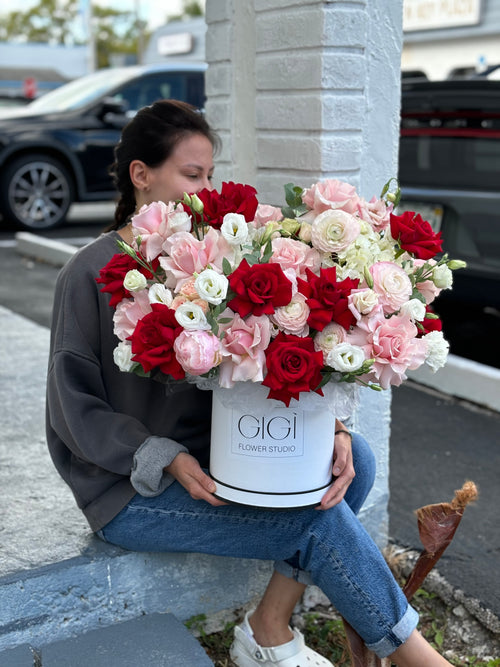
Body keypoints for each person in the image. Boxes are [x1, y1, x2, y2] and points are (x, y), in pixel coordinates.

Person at [46, 99, 453, 667]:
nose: (203, 189)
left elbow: (251, 369)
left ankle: (268, 626)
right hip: (129, 490)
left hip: (216, 462)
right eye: (192, 175)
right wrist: (160, 456)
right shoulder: (88, 272)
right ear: (141, 174)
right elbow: (72, 408)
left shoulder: (207, 262)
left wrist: (326, 426)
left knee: (351, 462)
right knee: (318, 522)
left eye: (209, 175)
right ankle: (420, 661)